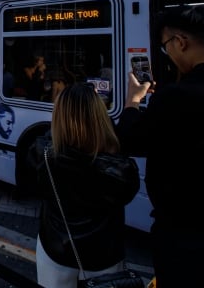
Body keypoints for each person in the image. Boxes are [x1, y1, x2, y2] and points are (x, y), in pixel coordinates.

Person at [116, 5, 204, 287]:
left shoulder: (180, 97)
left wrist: (132, 102)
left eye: (166, 47)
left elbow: (129, 141)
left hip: (193, 248)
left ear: (180, 42)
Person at [30, 83, 140, 288]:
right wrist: (132, 103)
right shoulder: (120, 170)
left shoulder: (41, 154)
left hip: (55, 249)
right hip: (103, 256)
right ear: (101, 118)